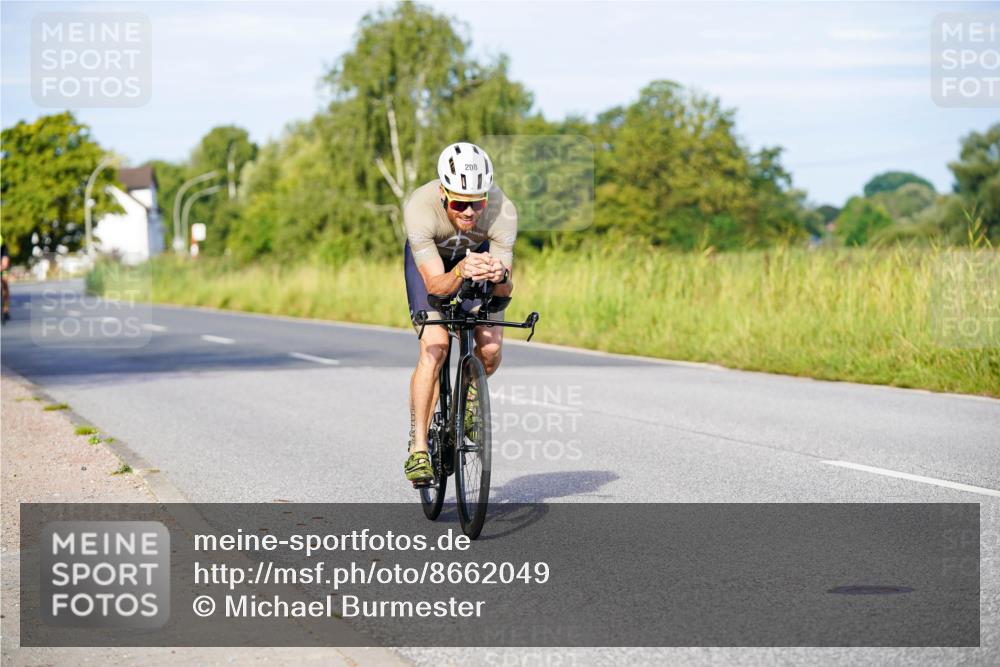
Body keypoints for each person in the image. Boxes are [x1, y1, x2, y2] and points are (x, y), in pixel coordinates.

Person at [402, 142, 517, 483]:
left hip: (476, 263)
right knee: (435, 346)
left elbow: (505, 292)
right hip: (435, 271)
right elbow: (436, 286)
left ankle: (468, 399)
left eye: (477, 203)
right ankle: (418, 448)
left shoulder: (503, 210)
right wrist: (459, 271)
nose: (470, 212)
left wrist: (501, 277)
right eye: (459, 204)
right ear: (443, 193)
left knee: (492, 348)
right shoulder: (420, 208)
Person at [1, 235, 10, 324]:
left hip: (1, 267)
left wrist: (2, 267)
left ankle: (5, 309)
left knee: (5, 282)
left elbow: (5, 263)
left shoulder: (3, 247)